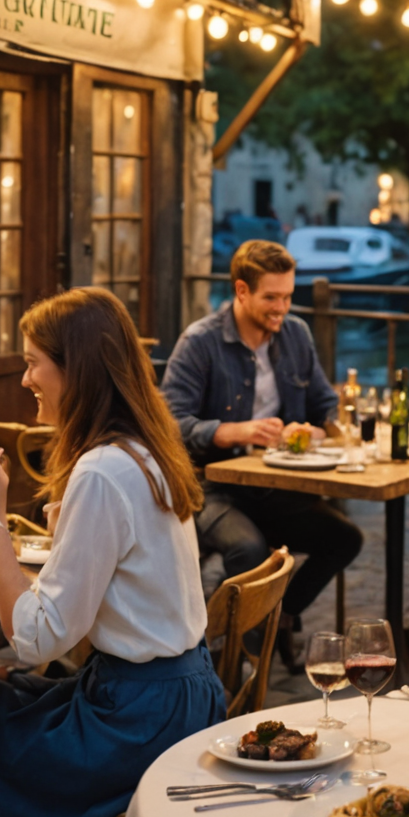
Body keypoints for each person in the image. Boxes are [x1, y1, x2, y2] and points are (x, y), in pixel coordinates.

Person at [0, 288, 225, 817]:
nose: (26, 377)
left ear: (78, 369)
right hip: (181, 695)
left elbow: (38, 636)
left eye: (36, 363)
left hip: (135, 719)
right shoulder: (145, 450)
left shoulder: (100, 471)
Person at [161, 240, 362, 637]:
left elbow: (328, 407)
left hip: (277, 486)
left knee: (345, 539)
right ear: (241, 290)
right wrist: (235, 431)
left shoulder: (296, 335)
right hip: (211, 488)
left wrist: (314, 430)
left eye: (288, 297)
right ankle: (243, 667)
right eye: (271, 297)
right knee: (248, 551)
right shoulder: (200, 342)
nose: (282, 309)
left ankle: (273, 620)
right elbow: (167, 426)